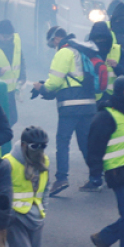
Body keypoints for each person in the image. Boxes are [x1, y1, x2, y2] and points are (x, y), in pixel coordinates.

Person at [34, 25, 109, 196]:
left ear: (55, 39)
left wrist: (41, 88)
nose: (53, 48)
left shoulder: (64, 52)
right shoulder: (81, 51)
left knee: (63, 141)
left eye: (52, 44)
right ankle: (96, 178)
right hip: (89, 103)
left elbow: (55, 83)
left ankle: (61, 179)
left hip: (70, 105)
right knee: (85, 143)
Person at [87, 76, 124, 247]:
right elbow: (94, 145)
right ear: (118, 91)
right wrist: (95, 172)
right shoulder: (106, 116)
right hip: (117, 171)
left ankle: (104, 238)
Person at [0, 20, 26, 126]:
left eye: (9, 36)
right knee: (0, 120)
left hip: (10, 89)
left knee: (12, 118)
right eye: (4, 37)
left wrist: (22, 75)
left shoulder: (15, 40)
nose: (7, 39)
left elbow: (20, 58)